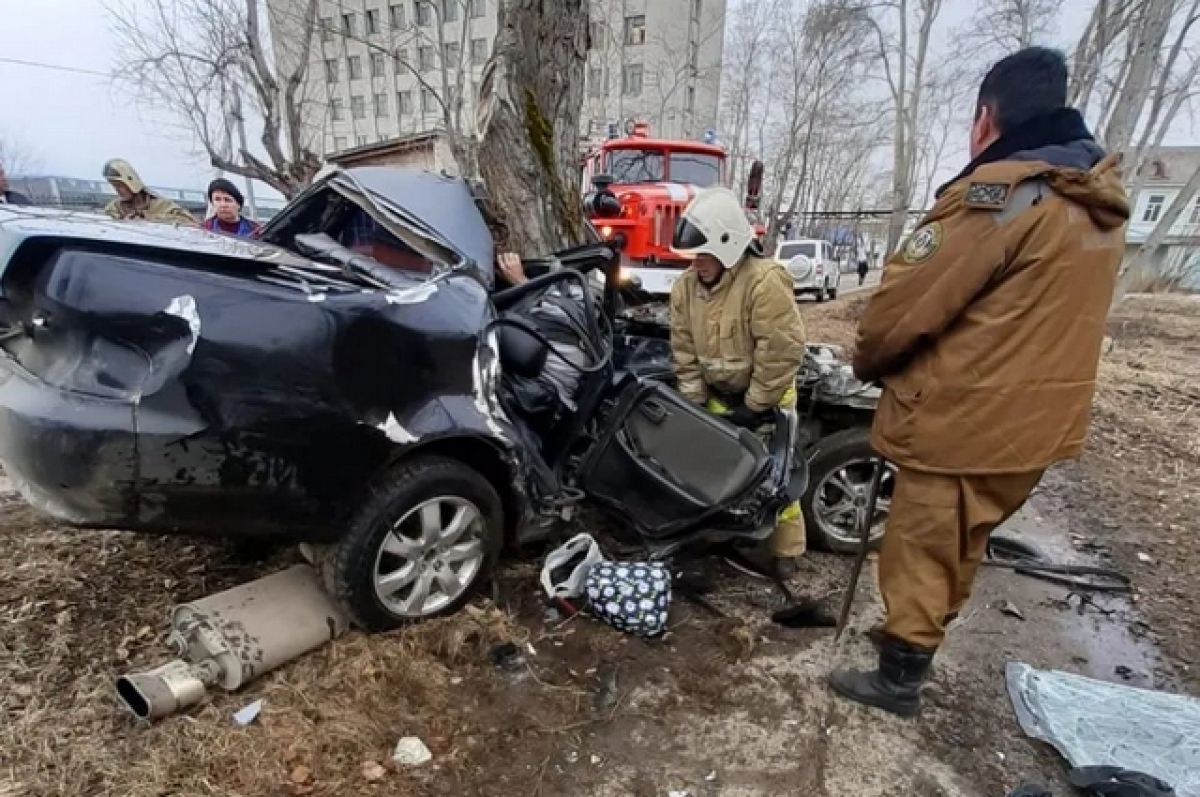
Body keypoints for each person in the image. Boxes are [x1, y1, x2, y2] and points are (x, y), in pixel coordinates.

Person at [829, 47, 1129, 717]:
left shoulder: (1003, 198)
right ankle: (920, 648)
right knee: (963, 542)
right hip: (1035, 426)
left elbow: (905, 308)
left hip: (961, 421)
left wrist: (870, 359)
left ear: (986, 118)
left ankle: (898, 677)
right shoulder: (1094, 203)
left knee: (922, 547)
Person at [668, 186, 809, 578]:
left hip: (769, 389)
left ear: (729, 246)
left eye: (704, 255)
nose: (696, 263)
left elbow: (781, 349)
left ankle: (787, 549)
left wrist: (756, 404)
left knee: (776, 474)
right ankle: (717, 536)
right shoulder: (684, 289)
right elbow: (683, 349)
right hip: (717, 391)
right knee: (712, 468)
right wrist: (693, 401)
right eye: (693, 256)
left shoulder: (764, 281)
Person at [102, 159, 196, 225]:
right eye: (114, 186)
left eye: (119, 185)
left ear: (130, 181)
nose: (117, 190)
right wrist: (123, 220)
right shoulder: (113, 208)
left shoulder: (163, 205)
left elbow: (190, 222)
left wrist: (150, 218)